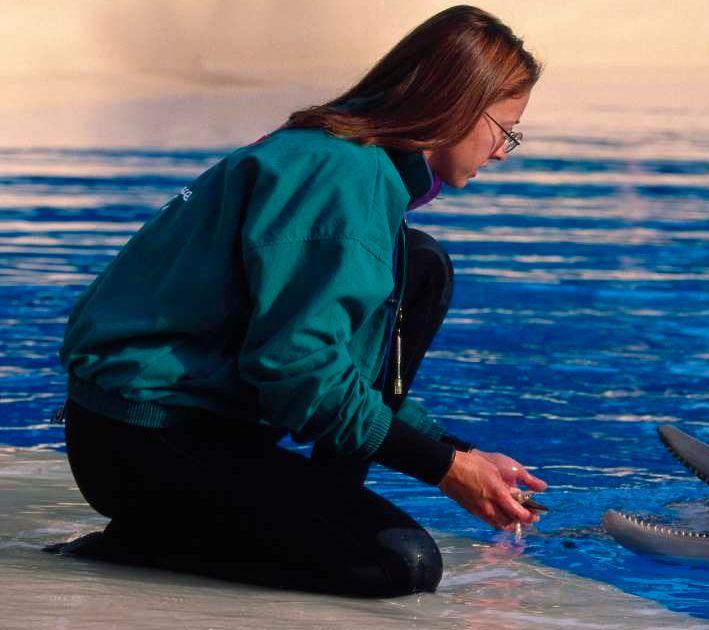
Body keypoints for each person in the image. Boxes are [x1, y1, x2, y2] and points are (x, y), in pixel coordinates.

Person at [53, 5, 546, 598]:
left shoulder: (357, 163)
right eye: (505, 130)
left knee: (422, 265)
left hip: (202, 424)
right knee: (401, 564)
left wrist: (456, 450)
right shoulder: (341, 179)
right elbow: (298, 377)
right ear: (456, 104)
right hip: (144, 441)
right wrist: (444, 469)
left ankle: (318, 503)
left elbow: (345, 367)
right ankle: (140, 542)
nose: (502, 151)